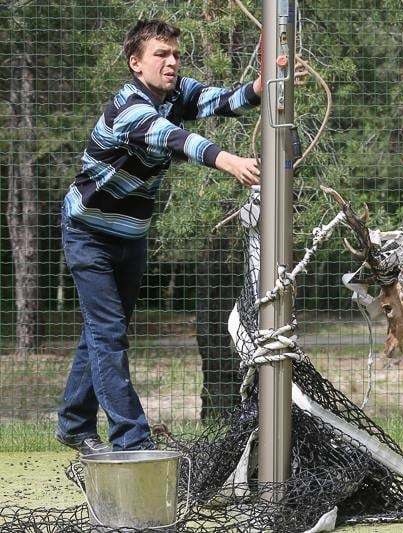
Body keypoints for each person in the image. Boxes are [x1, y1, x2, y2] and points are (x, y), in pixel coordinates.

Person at [56, 19, 262, 454]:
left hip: (130, 236)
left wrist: (262, 86)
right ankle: (132, 441)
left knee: (101, 331)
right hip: (88, 233)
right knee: (109, 334)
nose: (171, 62)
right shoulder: (128, 108)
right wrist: (226, 159)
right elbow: (171, 136)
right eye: (160, 55)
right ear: (136, 63)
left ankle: (73, 422)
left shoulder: (174, 93)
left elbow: (219, 100)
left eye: (175, 55)